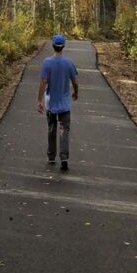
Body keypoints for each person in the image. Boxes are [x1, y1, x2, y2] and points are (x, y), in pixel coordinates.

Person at [37, 34, 78, 171]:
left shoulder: (47, 62)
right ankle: (64, 157)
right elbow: (75, 81)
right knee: (64, 130)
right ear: (63, 46)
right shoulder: (69, 63)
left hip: (51, 103)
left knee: (52, 128)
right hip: (65, 103)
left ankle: (51, 156)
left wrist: (39, 100)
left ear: (53, 45)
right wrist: (76, 92)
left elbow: (43, 82)